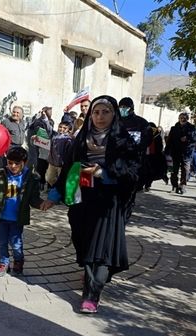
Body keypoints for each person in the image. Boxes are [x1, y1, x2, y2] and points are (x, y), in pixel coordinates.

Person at [43, 95, 140, 314]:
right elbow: (68, 169)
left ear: (114, 114)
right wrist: (54, 195)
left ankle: (91, 294)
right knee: (84, 244)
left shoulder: (123, 141)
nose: (100, 117)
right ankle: (94, 278)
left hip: (109, 204)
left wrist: (104, 172)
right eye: (96, 112)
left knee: (100, 251)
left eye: (105, 112)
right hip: (82, 201)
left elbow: (134, 173)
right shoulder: (81, 139)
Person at [0, 146, 50, 277]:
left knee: (16, 243)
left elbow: (33, 198)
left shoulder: (31, 178)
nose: (13, 166)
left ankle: (18, 261)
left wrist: (41, 203)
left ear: (24, 163)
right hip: (2, 216)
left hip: (17, 218)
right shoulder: (0, 173)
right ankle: (4, 262)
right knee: (2, 242)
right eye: (10, 163)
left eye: (17, 163)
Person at [165, 112, 195, 194]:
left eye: (184, 118)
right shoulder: (174, 128)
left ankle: (182, 186)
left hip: (187, 153)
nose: (182, 119)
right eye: (181, 117)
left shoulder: (192, 128)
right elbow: (169, 140)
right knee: (174, 171)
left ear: (187, 119)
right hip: (175, 152)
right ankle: (174, 186)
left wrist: (187, 138)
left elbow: (195, 139)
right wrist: (166, 151)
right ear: (179, 118)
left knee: (185, 170)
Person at [27, 106, 54, 189]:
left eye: (50, 111)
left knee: (47, 168)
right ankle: (40, 184)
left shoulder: (51, 121)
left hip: (48, 147)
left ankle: (45, 184)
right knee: (40, 167)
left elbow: (50, 132)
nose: (50, 113)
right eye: (48, 111)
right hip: (40, 147)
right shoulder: (38, 121)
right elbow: (33, 129)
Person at [45, 119, 73, 187]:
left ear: (68, 130)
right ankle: (55, 188)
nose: (61, 129)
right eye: (60, 127)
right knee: (49, 178)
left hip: (62, 164)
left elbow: (69, 152)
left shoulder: (68, 139)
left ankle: (59, 191)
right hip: (52, 162)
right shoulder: (54, 137)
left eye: (64, 128)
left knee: (62, 180)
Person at [142, 122, 168, 191]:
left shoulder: (157, 137)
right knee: (145, 171)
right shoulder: (146, 135)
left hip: (155, 158)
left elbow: (160, 148)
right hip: (146, 156)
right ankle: (143, 185)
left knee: (151, 172)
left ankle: (147, 185)